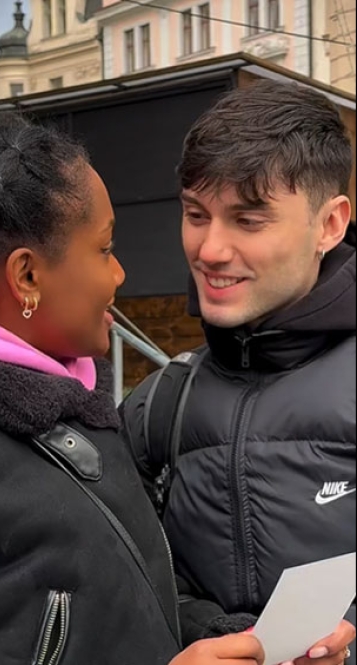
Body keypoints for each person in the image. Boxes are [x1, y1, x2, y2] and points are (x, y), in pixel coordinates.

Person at [0, 113, 279, 665]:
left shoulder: (83, 408)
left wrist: (227, 639)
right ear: (27, 276)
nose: (120, 273)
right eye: (104, 249)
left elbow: (127, 604)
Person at [119, 79, 355, 664]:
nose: (210, 249)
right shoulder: (159, 403)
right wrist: (204, 635)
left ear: (330, 224)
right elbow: (116, 583)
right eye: (196, 214)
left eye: (248, 221)